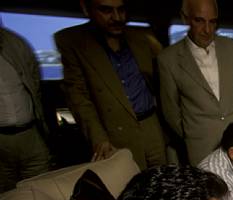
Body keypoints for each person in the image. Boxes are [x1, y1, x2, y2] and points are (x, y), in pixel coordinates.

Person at [55, 0, 167, 170]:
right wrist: (98, 139)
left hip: (152, 128)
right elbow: (79, 98)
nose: (117, 18)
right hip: (114, 135)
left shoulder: (143, 37)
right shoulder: (73, 41)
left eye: (121, 10)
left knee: (163, 180)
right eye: (106, 10)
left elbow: (164, 79)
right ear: (86, 9)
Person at [158, 0, 233, 166]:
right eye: (199, 20)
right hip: (200, 147)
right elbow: (171, 111)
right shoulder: (167, 59)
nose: (207, 30)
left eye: (212, 22)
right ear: (185, 18)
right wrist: (194, 132)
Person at [0, 27, 50, 192]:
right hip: (2, 141)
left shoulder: (15, 43)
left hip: (31, 134)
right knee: (6, 196)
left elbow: (35, 81)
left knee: (42, 188)